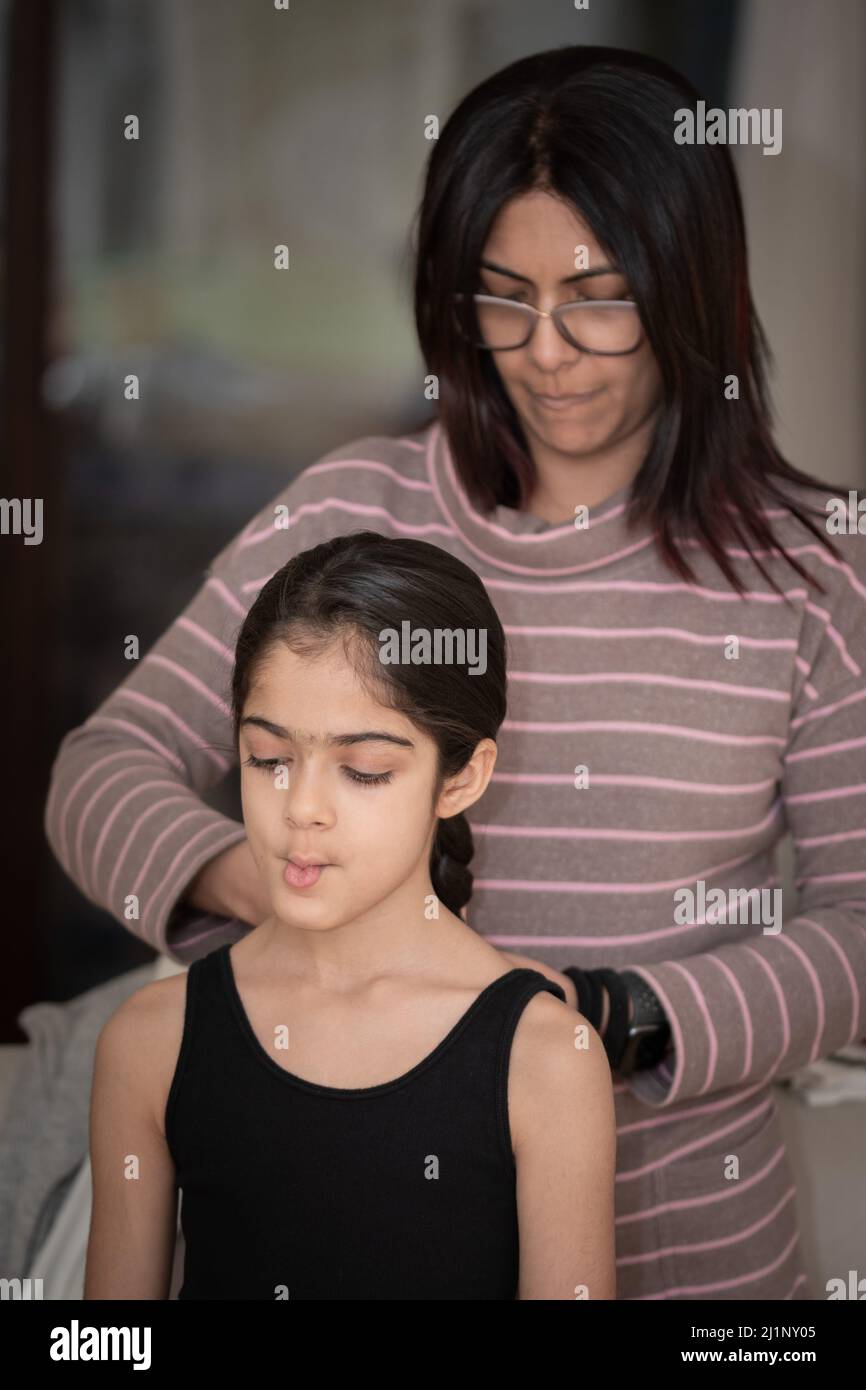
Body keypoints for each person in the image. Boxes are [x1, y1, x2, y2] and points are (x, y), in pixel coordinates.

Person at [47, 45, 866, 1300]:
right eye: (500, 299)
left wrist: (612, 1017)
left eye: (598, 296)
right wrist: (283, 879)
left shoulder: (808, 572)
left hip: (697, 1264)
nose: (544, 352)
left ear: (688, 285)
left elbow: (859, 930)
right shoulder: (349, 511)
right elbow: (99, 771)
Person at [83, 533, 617, 1300]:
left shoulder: (545, 1059)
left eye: (364, 771)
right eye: (268, 758)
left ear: (462, 778)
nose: (301, 809)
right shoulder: (150, 1040)